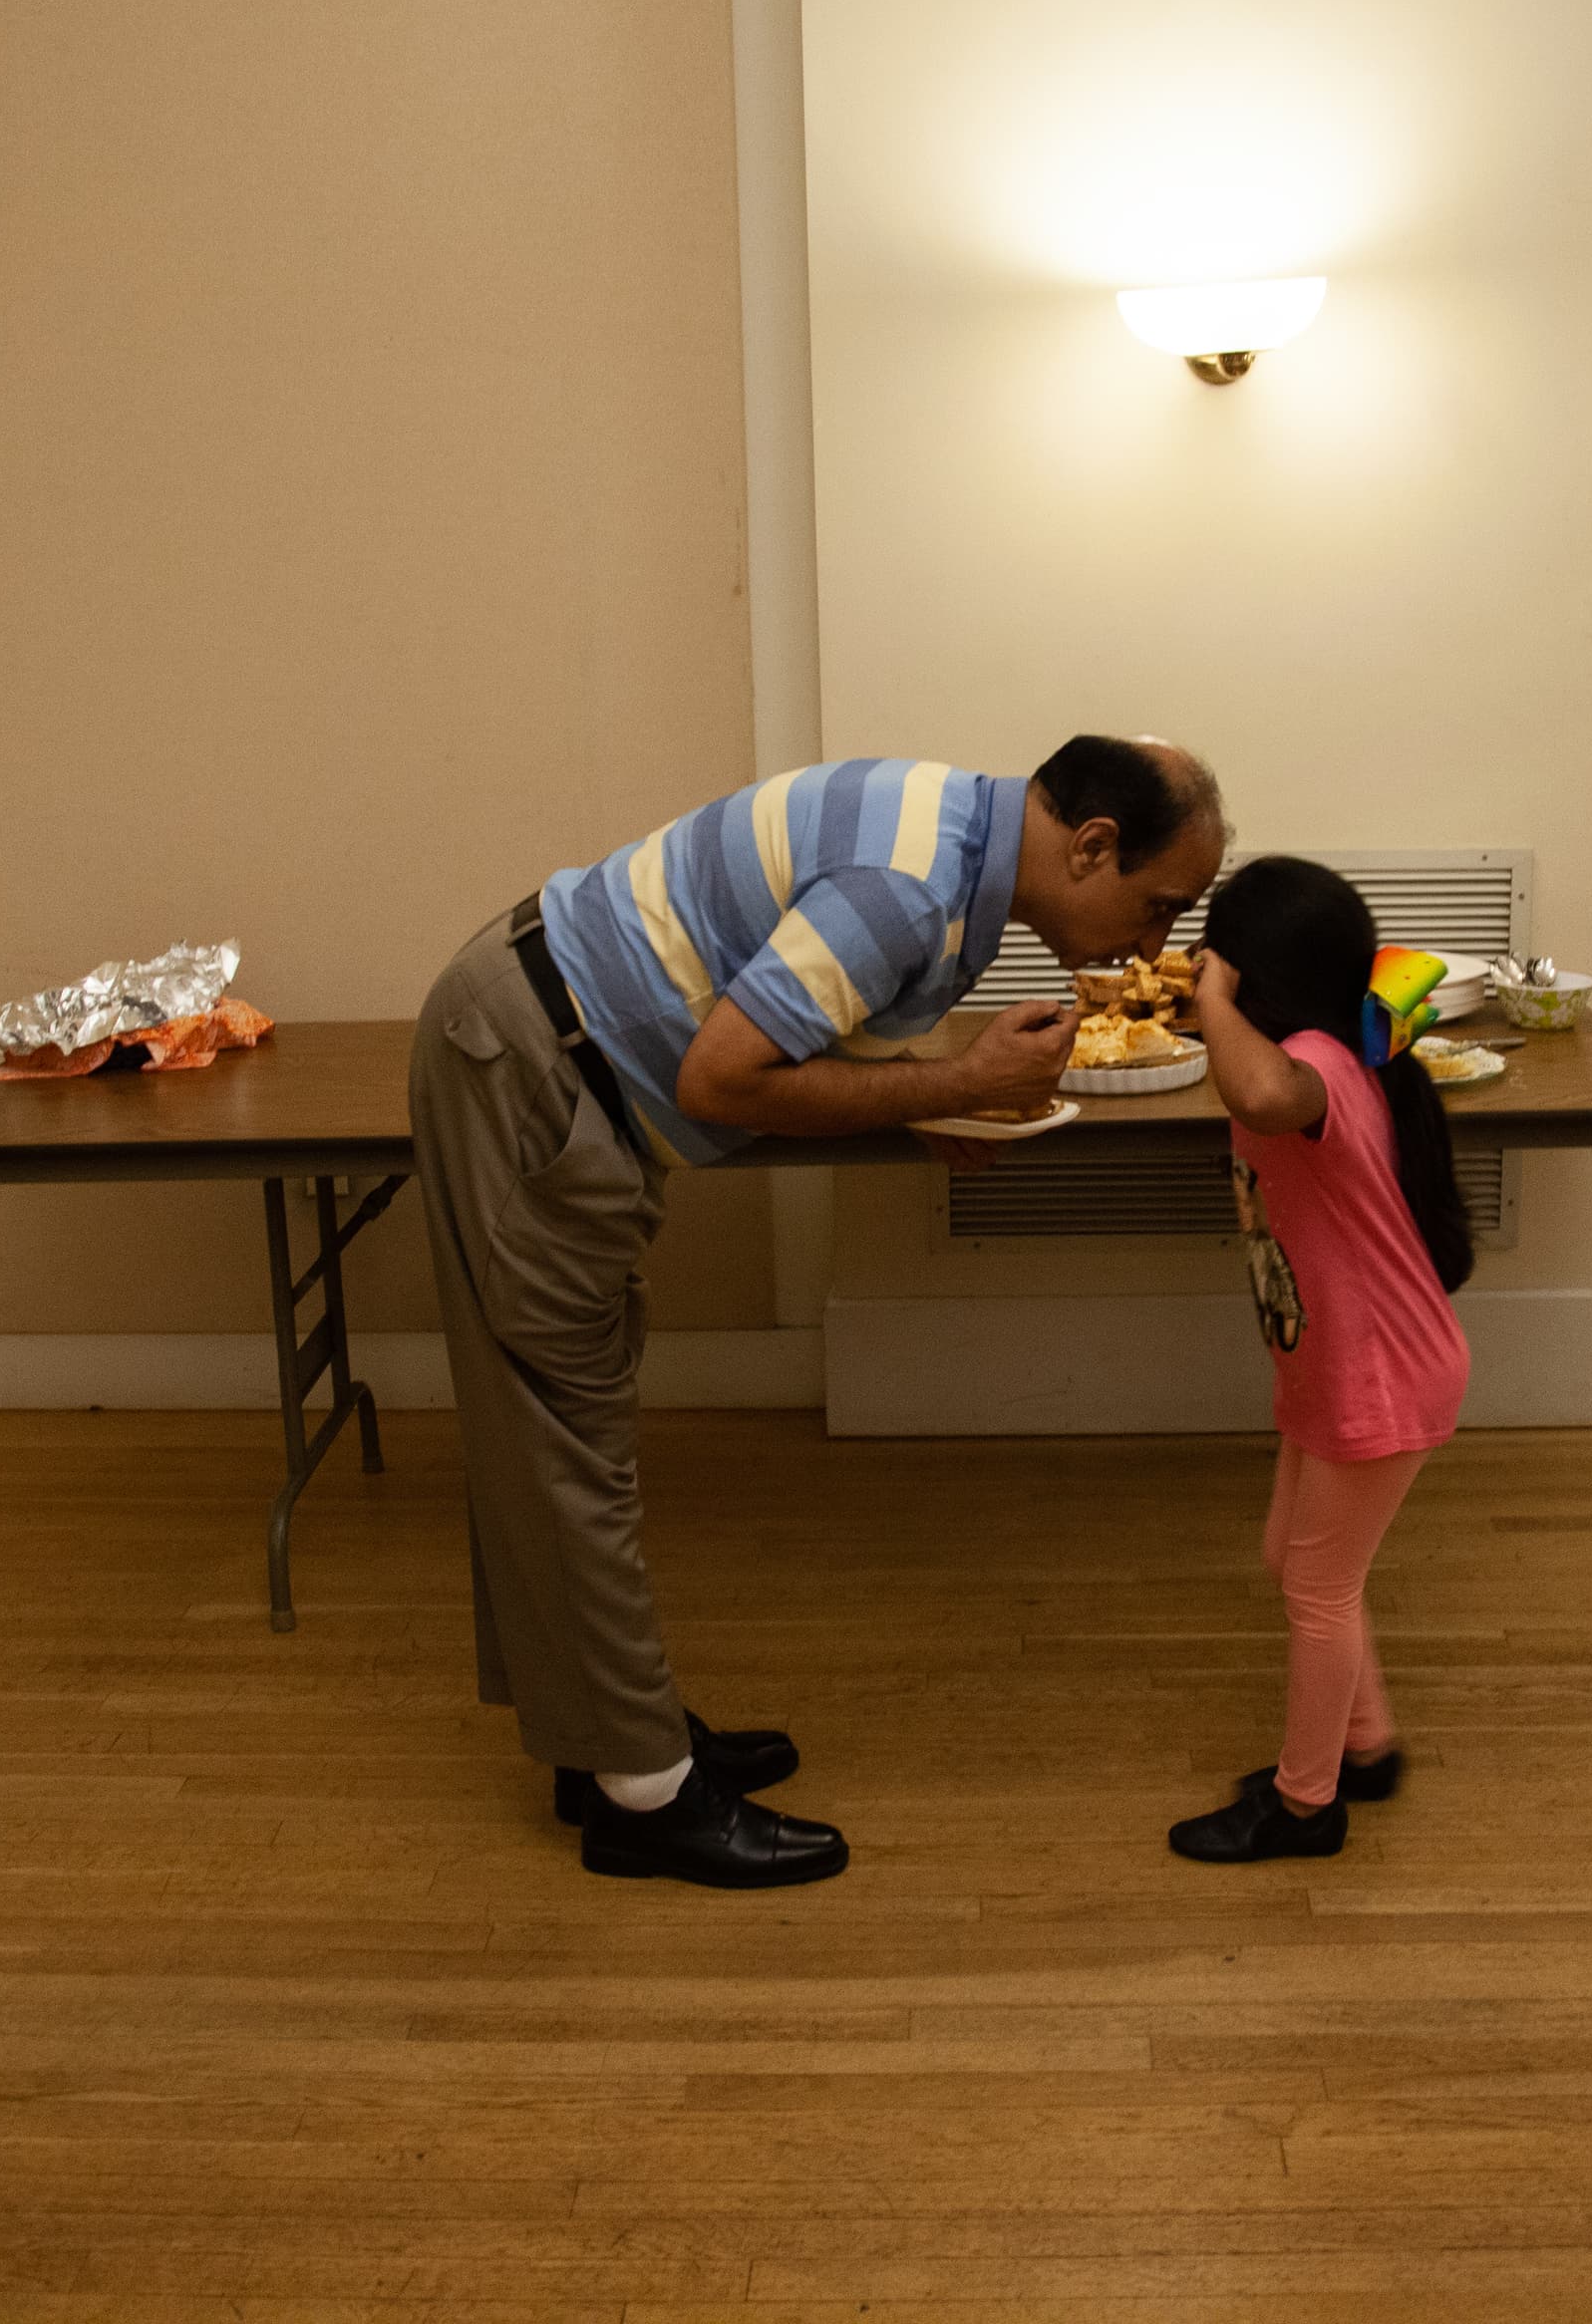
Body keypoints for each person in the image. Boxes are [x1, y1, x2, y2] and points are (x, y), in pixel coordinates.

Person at [409, 736, 1228, 1888]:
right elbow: (723, 1078)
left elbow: (798, 1035)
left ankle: (608, 1742)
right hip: (535, 1063)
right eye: (1159, 907)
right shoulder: (910, 889)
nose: (1154, 946)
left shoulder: (952, 842)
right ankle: (642, 1799)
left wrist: (938, 1107)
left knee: (562, 1434)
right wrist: (955, 1085)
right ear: (1092, 846)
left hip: (556, 1049)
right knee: (562, 1444)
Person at [1167, 855, 1473, 1864]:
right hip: (1341, 1360)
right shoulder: (1325, 1045)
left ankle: (1307, 1805)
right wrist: (1214, 1001)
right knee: (1293, 1562)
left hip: (1378, 1370)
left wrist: (1210, 993)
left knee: (1317, 1588)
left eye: (1222, 958)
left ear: (1252, 975)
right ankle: (1366, 1746)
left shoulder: (1317, 1066)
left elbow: (1258, 1090)